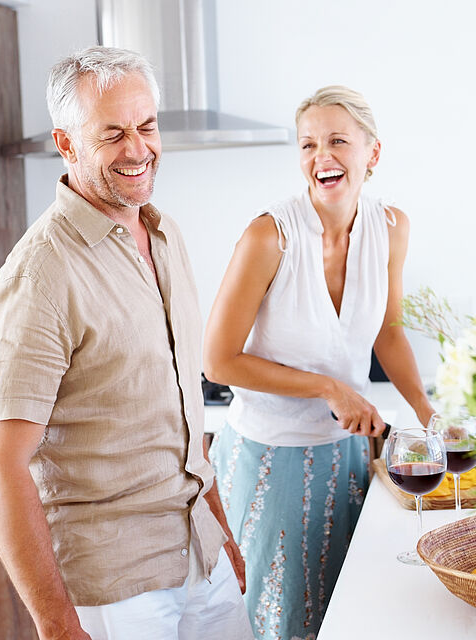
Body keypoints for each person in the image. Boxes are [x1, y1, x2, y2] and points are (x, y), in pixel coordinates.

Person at [0, 46, 254, 640]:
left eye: (146, 126)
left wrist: (223, 533)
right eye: (112, 134)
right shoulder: (38, 277)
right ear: (67, 144)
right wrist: (57, 623)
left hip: (203, 557)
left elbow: (187, 418)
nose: (137, 148)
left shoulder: (164, 233)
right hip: (116, 587)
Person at [203, 85, 435, 639]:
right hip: (268, 460)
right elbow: (217, 361)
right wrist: (330, 388)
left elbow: (390, 332)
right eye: (308, 144)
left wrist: (429, 416)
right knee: (279, 622)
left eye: (337, 141)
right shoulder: (269, 236)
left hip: (345, 458)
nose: (321, 157)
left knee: (343, 618)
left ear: (372, 153)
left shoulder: (391, 227)